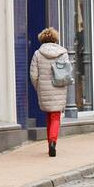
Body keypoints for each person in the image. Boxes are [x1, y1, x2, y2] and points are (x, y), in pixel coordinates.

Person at [29, 27, 69, 157]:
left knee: (48, 116)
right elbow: (67, 73)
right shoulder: (63, 53)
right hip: (59, 87)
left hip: (44, 88)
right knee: (55, 116)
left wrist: (38, 87)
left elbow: (33, 75)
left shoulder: (37, 54)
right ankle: (53, 142)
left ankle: (49, 144)